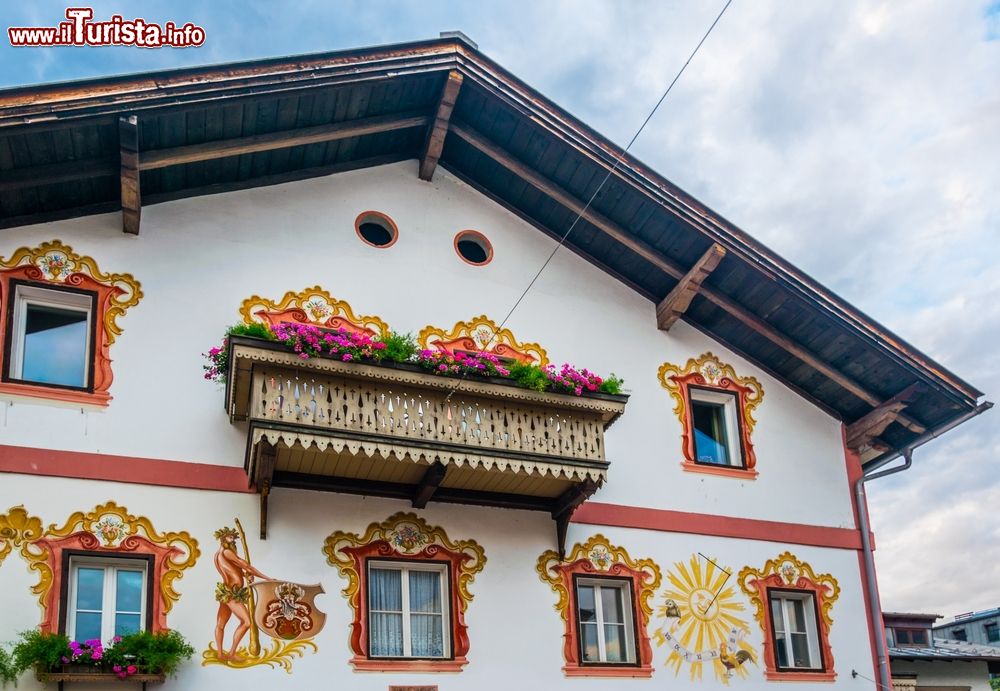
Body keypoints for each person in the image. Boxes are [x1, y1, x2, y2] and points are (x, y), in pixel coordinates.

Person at [212, 526, 270, 661]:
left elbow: (231, 571)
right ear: (223, 538)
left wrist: (245, 576)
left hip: (226, 592)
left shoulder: (219, 554)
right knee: (247, 622)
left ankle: (220, 654)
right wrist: (266, 578)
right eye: (230, 537)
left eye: (233, 538)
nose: (232, 540)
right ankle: (231, 653)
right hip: (232, 594)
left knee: (221, 624)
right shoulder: (227, 552)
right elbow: (246, 565)